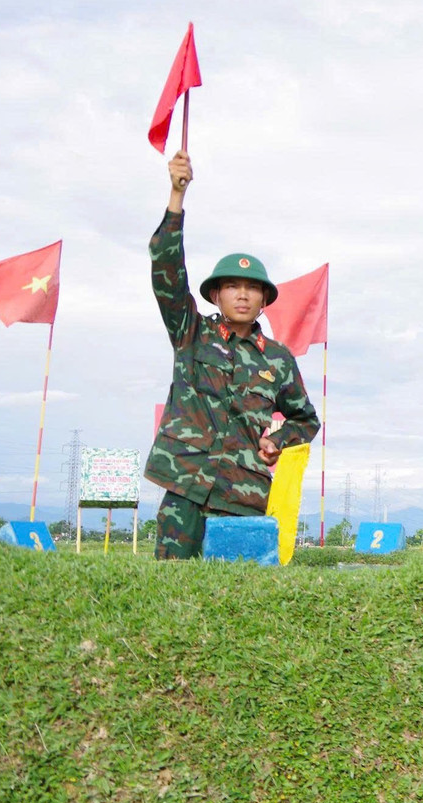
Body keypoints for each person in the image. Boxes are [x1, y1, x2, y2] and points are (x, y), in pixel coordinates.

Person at [146, 150, 321, 559]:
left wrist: (279, 438)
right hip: (185, 485)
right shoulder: (191, 333)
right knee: (169, 592)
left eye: (252, 287)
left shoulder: (277, 359)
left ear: (263, 300)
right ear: (216, 294)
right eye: (232, 286)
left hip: (243, 495)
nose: (242, 294)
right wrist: (176, 196)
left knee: (233, 601)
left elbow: (306, 419)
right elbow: (166, 270)